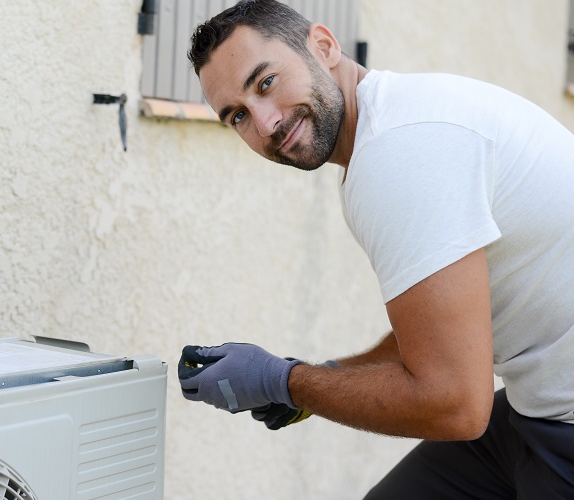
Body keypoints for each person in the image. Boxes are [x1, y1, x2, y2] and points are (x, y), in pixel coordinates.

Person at [176, 1, 574, 498]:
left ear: (323, 47)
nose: (265, 123)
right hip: (539, 409)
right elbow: (442, 327)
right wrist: (325, 379)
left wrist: (287, 382)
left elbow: (455, 404)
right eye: (236, 115)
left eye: (266, 82)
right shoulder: (390, 125)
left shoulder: (397, 154)